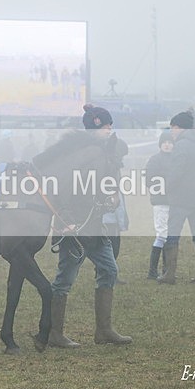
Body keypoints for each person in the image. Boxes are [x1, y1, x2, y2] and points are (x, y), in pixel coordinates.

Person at [48, 104, 132, 348]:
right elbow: (60, 187)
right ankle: (54, 333)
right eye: (105, 125)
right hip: (73, 228)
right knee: (64, 279)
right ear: (93, 127)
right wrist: (66, 220)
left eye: (110, 125)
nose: (109, 129)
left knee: (109, 269)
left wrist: (109, 198)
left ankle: (104, 331)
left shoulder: (102, 153)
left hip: (93, 225)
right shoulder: (76, 153)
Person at [157, 111, 195, 284]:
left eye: (173, 127)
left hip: (180, 199)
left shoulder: (181, 146)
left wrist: (167, 188)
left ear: (181, 128)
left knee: (172, 236)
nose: (172, 131)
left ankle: (169, 274)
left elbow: (176, 172)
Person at [145, 131, 173, 279]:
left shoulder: (177, 159)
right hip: (161, 202)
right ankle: (152, 271)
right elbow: (148, 180)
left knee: (170, 236)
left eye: (170, 142)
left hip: (174, 202)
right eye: (164, 142)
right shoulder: (155, 160)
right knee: (162, 235)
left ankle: (166, 270)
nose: (167, 145)